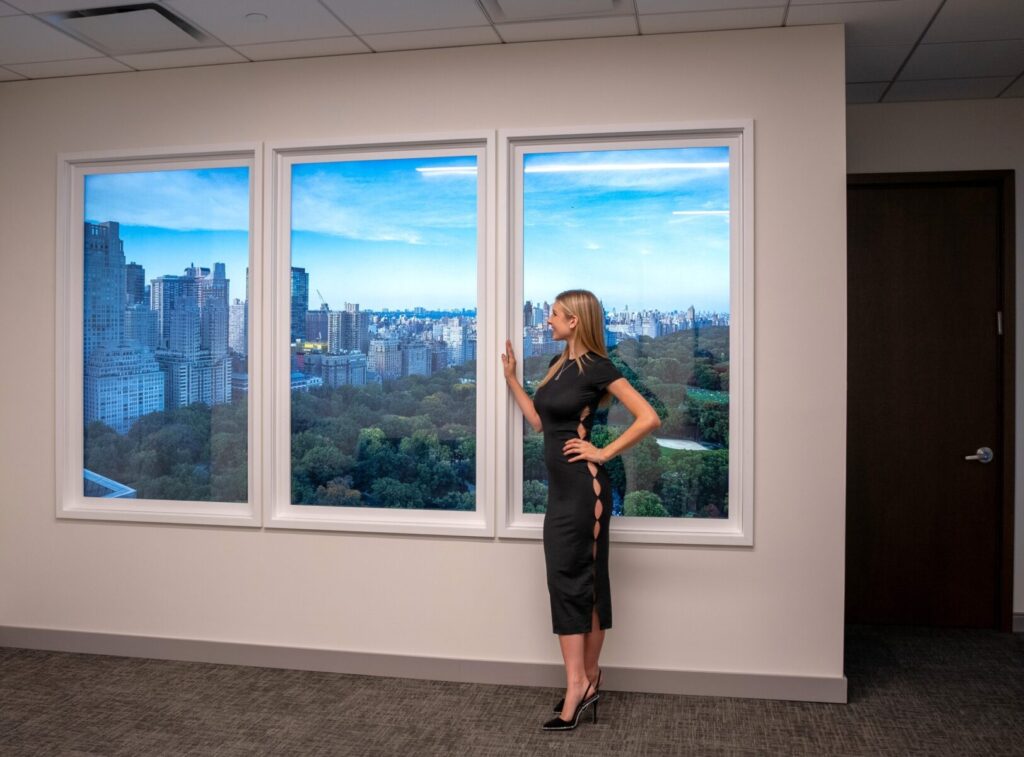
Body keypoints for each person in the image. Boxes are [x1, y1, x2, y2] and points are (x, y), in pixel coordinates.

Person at [501, 289, 661, 731]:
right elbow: (540, 422)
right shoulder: (558, 366)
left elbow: (649, 417)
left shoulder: (598, 367)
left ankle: (576, 686)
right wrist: (512, 379)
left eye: (552, 314)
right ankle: (588, 680)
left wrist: (603, 452)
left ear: (574, 321)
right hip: (562, 494)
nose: (546, 320)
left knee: (573, 583)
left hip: (583, 492)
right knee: (577, 583)